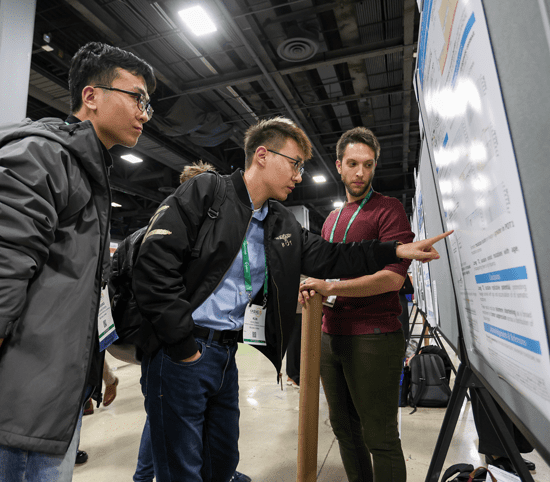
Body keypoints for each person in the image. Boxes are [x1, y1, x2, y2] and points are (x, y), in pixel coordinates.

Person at [132, 116, 450, 482]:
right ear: (263, 155)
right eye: (295, 163)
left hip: (224, 356)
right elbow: (153, 265)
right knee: (180, 468)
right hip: (183, 353)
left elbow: (334, 257)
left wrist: (395, 249)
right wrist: (183, 346)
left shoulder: (278, 221)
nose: (299, 175)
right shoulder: (208, 192)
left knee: (220, 460)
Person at [0, 42, 155, 481]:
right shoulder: (43, 155)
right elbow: (4, 269)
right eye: (137, 97)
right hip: (23, 404)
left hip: (55, 396)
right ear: (91, 96)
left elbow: (74, 292)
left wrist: (90, 373)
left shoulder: (87, 170)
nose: (145, 113)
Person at [299, 126, 416, 482]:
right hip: (330, 335)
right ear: (339, 165)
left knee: (379, 436)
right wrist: (310, 288)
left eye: (368, 164)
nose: (360, 172)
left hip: (373, 336)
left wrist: (331, 285)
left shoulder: (389, 210)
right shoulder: (332, 220)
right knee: (344, 431)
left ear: (375, 166)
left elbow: (392, 279)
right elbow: (321, 271)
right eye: (352, 163)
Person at [133, 162, 251, 482]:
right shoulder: (165, 229)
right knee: (175, 452)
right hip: (181, 348)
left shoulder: (217, 235)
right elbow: (150, 281)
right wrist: (182, 344)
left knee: (204, 446)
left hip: (217, 350)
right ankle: (143, 477)